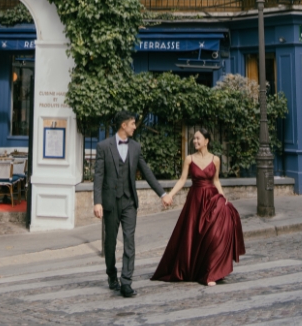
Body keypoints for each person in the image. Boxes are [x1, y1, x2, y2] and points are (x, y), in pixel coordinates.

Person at [151, 128, 246, 286]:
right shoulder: (189, 159)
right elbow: (182, 180)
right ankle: (196, 270)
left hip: (212, 199)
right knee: (194, 236)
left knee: (213, 235)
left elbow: (216, 180)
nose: (195, 141)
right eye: (194, 139)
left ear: (206, 141)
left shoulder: (215, 159)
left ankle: (211, 272)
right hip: (195, 200)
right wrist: (170, 195)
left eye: (198, 138)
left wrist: (223, 196)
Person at [94, 110, 170, 298]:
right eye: (133, 123)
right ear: (123, 125)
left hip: (129, 202)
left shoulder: (136, 147)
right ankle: (111, 274)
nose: (135, 127)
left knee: (130, 241)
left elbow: (146, 172)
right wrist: (97, 202)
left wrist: (162, 193)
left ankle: (126, 282)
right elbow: (98, 176)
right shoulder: (104, 146)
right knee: (110, 243)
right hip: (111, 202)